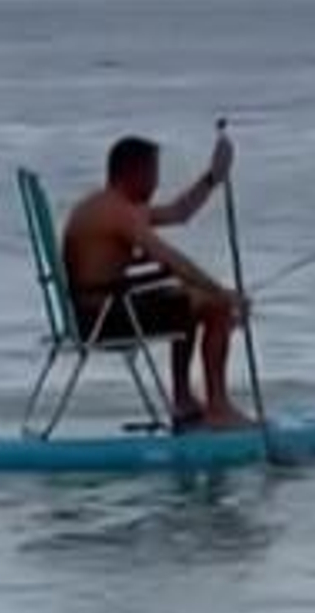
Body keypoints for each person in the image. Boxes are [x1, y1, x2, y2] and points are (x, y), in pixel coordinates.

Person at [62, 133, 251, 430]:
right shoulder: (118, 213)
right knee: (213, 306)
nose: (155, 183)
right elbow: (171, 259)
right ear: (133, 173)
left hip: (99, 309)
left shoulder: (106, 205)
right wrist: (222, 294)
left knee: (188, 298)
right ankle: (218, 408)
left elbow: (179, 213)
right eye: (153, 174)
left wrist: (213, 176)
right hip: (104, 319)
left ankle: (184, 403)